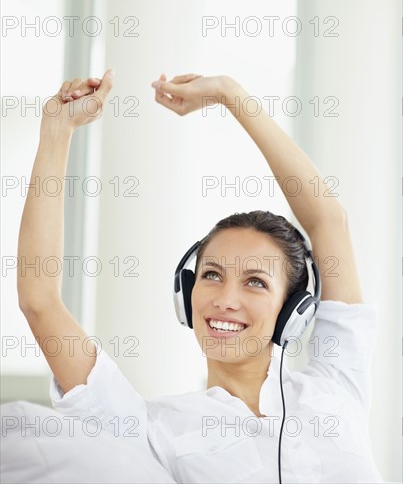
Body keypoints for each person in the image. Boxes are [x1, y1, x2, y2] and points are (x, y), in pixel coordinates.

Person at [14, 70, 384, 483]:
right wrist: (56, 130)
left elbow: (329, 221)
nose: (225, 298)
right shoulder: (155, 428)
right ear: (186, 292)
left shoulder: (335, 385)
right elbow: (39, 301)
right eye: (211, 275)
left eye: (256, 281)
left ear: (292, 309)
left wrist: (231, 94)